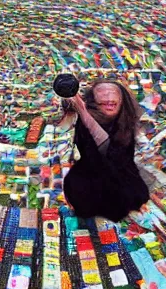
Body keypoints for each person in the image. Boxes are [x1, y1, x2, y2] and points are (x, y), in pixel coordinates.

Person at [63, 79, 149, 222]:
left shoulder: (125, 127)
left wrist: (82, 110)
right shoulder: (85, 124)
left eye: (113, 93)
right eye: (102, 93)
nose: (108, 97)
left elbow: (109, 150)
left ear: (122, 100)